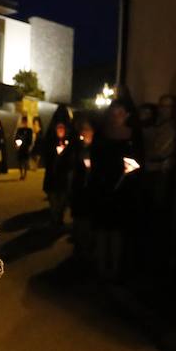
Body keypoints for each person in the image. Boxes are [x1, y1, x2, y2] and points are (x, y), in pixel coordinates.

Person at [89, 98, 144, 282]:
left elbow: (138, 158)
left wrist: (132, 168)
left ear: (127, 115)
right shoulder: (101, 134)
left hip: (123, 189)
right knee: (103, 229)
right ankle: (101, 265)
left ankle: (115, 266)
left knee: (117, 230)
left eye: (120, 113)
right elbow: (95, 158)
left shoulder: (133, 135)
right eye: (113, 113)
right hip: (102, 186)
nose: (115, 116)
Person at [140, 94, 176, 278]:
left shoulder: (172, 128)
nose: (166, 110)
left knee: (158, 214)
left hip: (160, 175)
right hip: (151, 171)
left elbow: (162, 152)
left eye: (169, 107)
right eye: (163, 106)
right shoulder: (155, 125)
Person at [69, 114, 97, 265]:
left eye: (86, 129)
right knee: (79, 218)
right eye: (82, 129)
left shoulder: (97, 148)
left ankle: (87, 249)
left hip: (90, 190)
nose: (83, 132)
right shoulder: (78, 147)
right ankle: (79, 247)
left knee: (87, 219)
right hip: (79, 188)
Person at [42, 110, 74, 227]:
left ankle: (59, 216)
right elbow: (46, 155)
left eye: (62, 128)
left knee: (62, 197)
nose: (60, 130)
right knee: (53, 197)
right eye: (58, 128)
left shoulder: (70, 143)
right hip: (52, 174)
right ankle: (54, 216)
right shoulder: (50, 141)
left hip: (63, 175)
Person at [13, 114, 34, 179]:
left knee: (25, 161)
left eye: (25, 121)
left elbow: (30, 139)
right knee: (20, 161)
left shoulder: (29, 130)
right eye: (23, 121)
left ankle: (24, 174)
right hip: (20, 148)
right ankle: (21, 174)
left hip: (26, 147)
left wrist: (28, 145)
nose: (24, 122)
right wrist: (17, 143)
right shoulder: (19, 129)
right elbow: (16, 137)